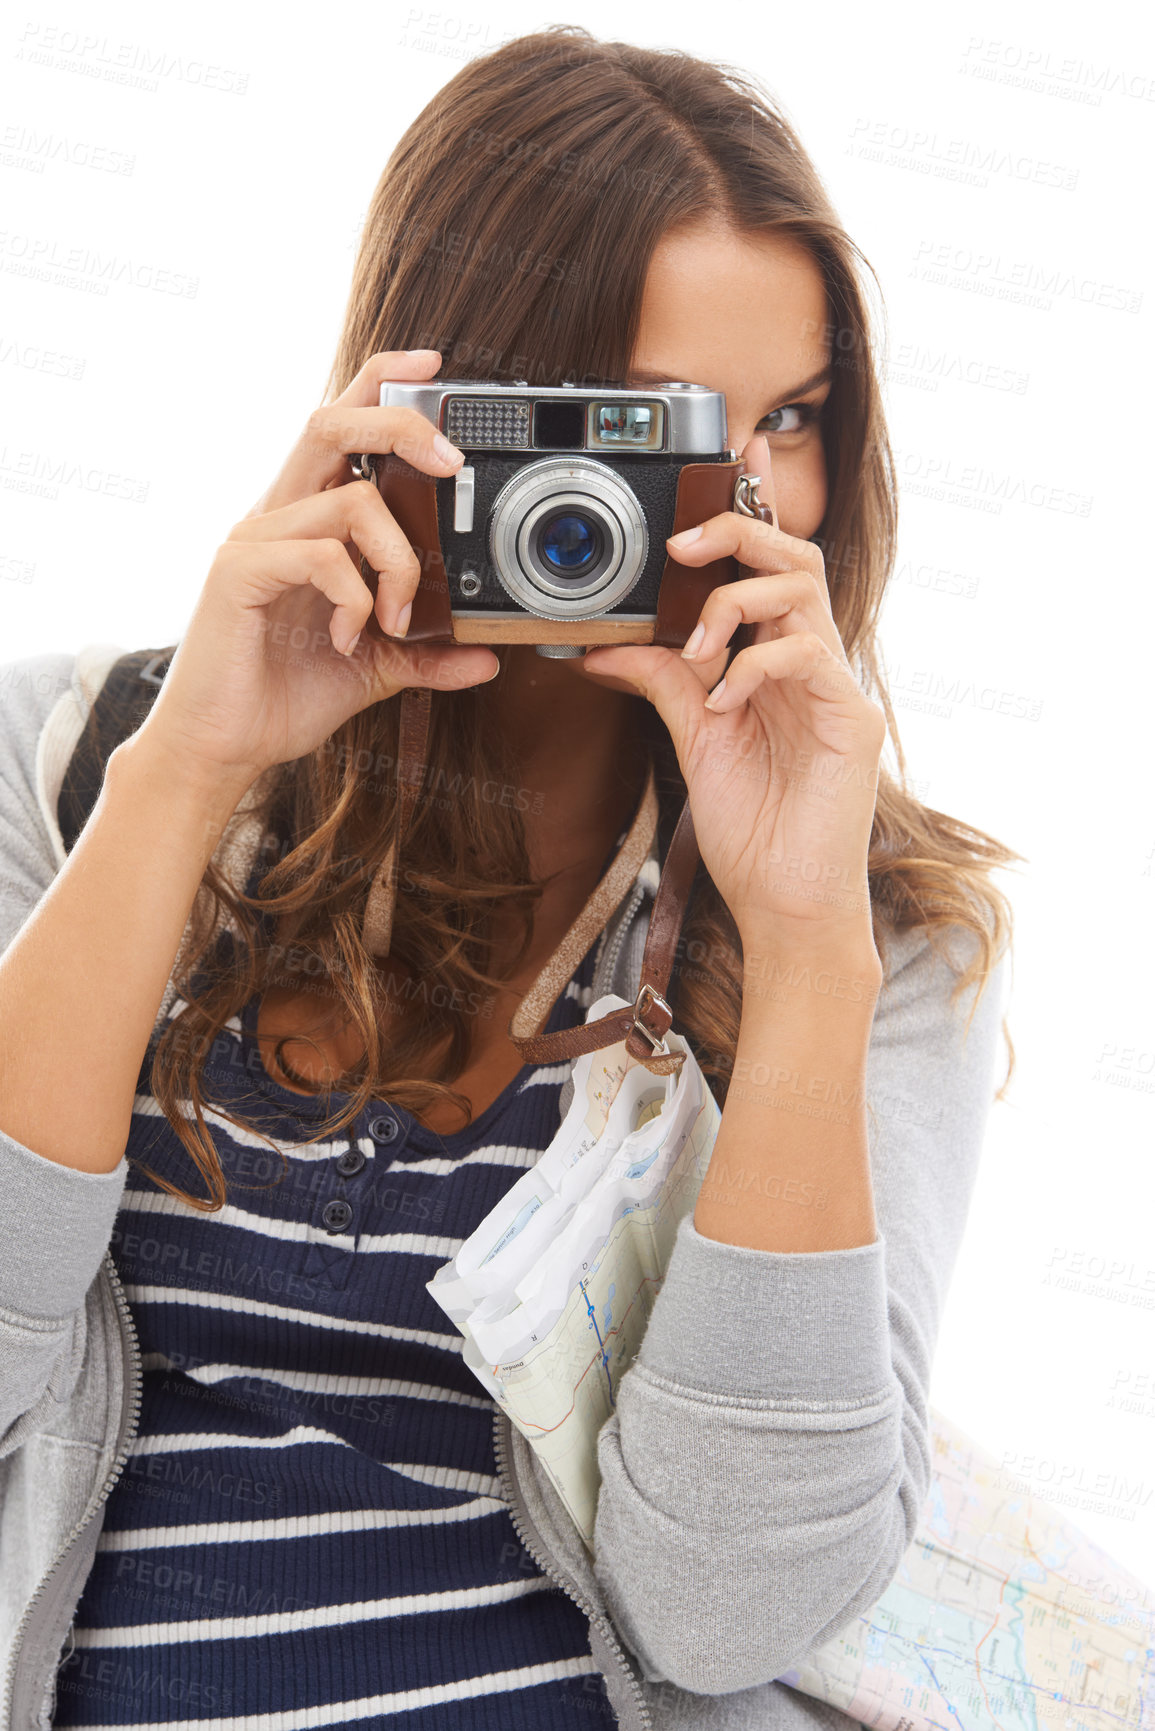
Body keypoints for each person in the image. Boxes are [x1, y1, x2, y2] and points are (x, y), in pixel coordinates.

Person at [0, 24, 1018, 1731]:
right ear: (442, 412)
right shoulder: (81, 756)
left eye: (793, 422)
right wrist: (186, 775)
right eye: (653, 431)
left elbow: (725, 1611)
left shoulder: (879, 926)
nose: (738, 506)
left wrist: (803, 940)